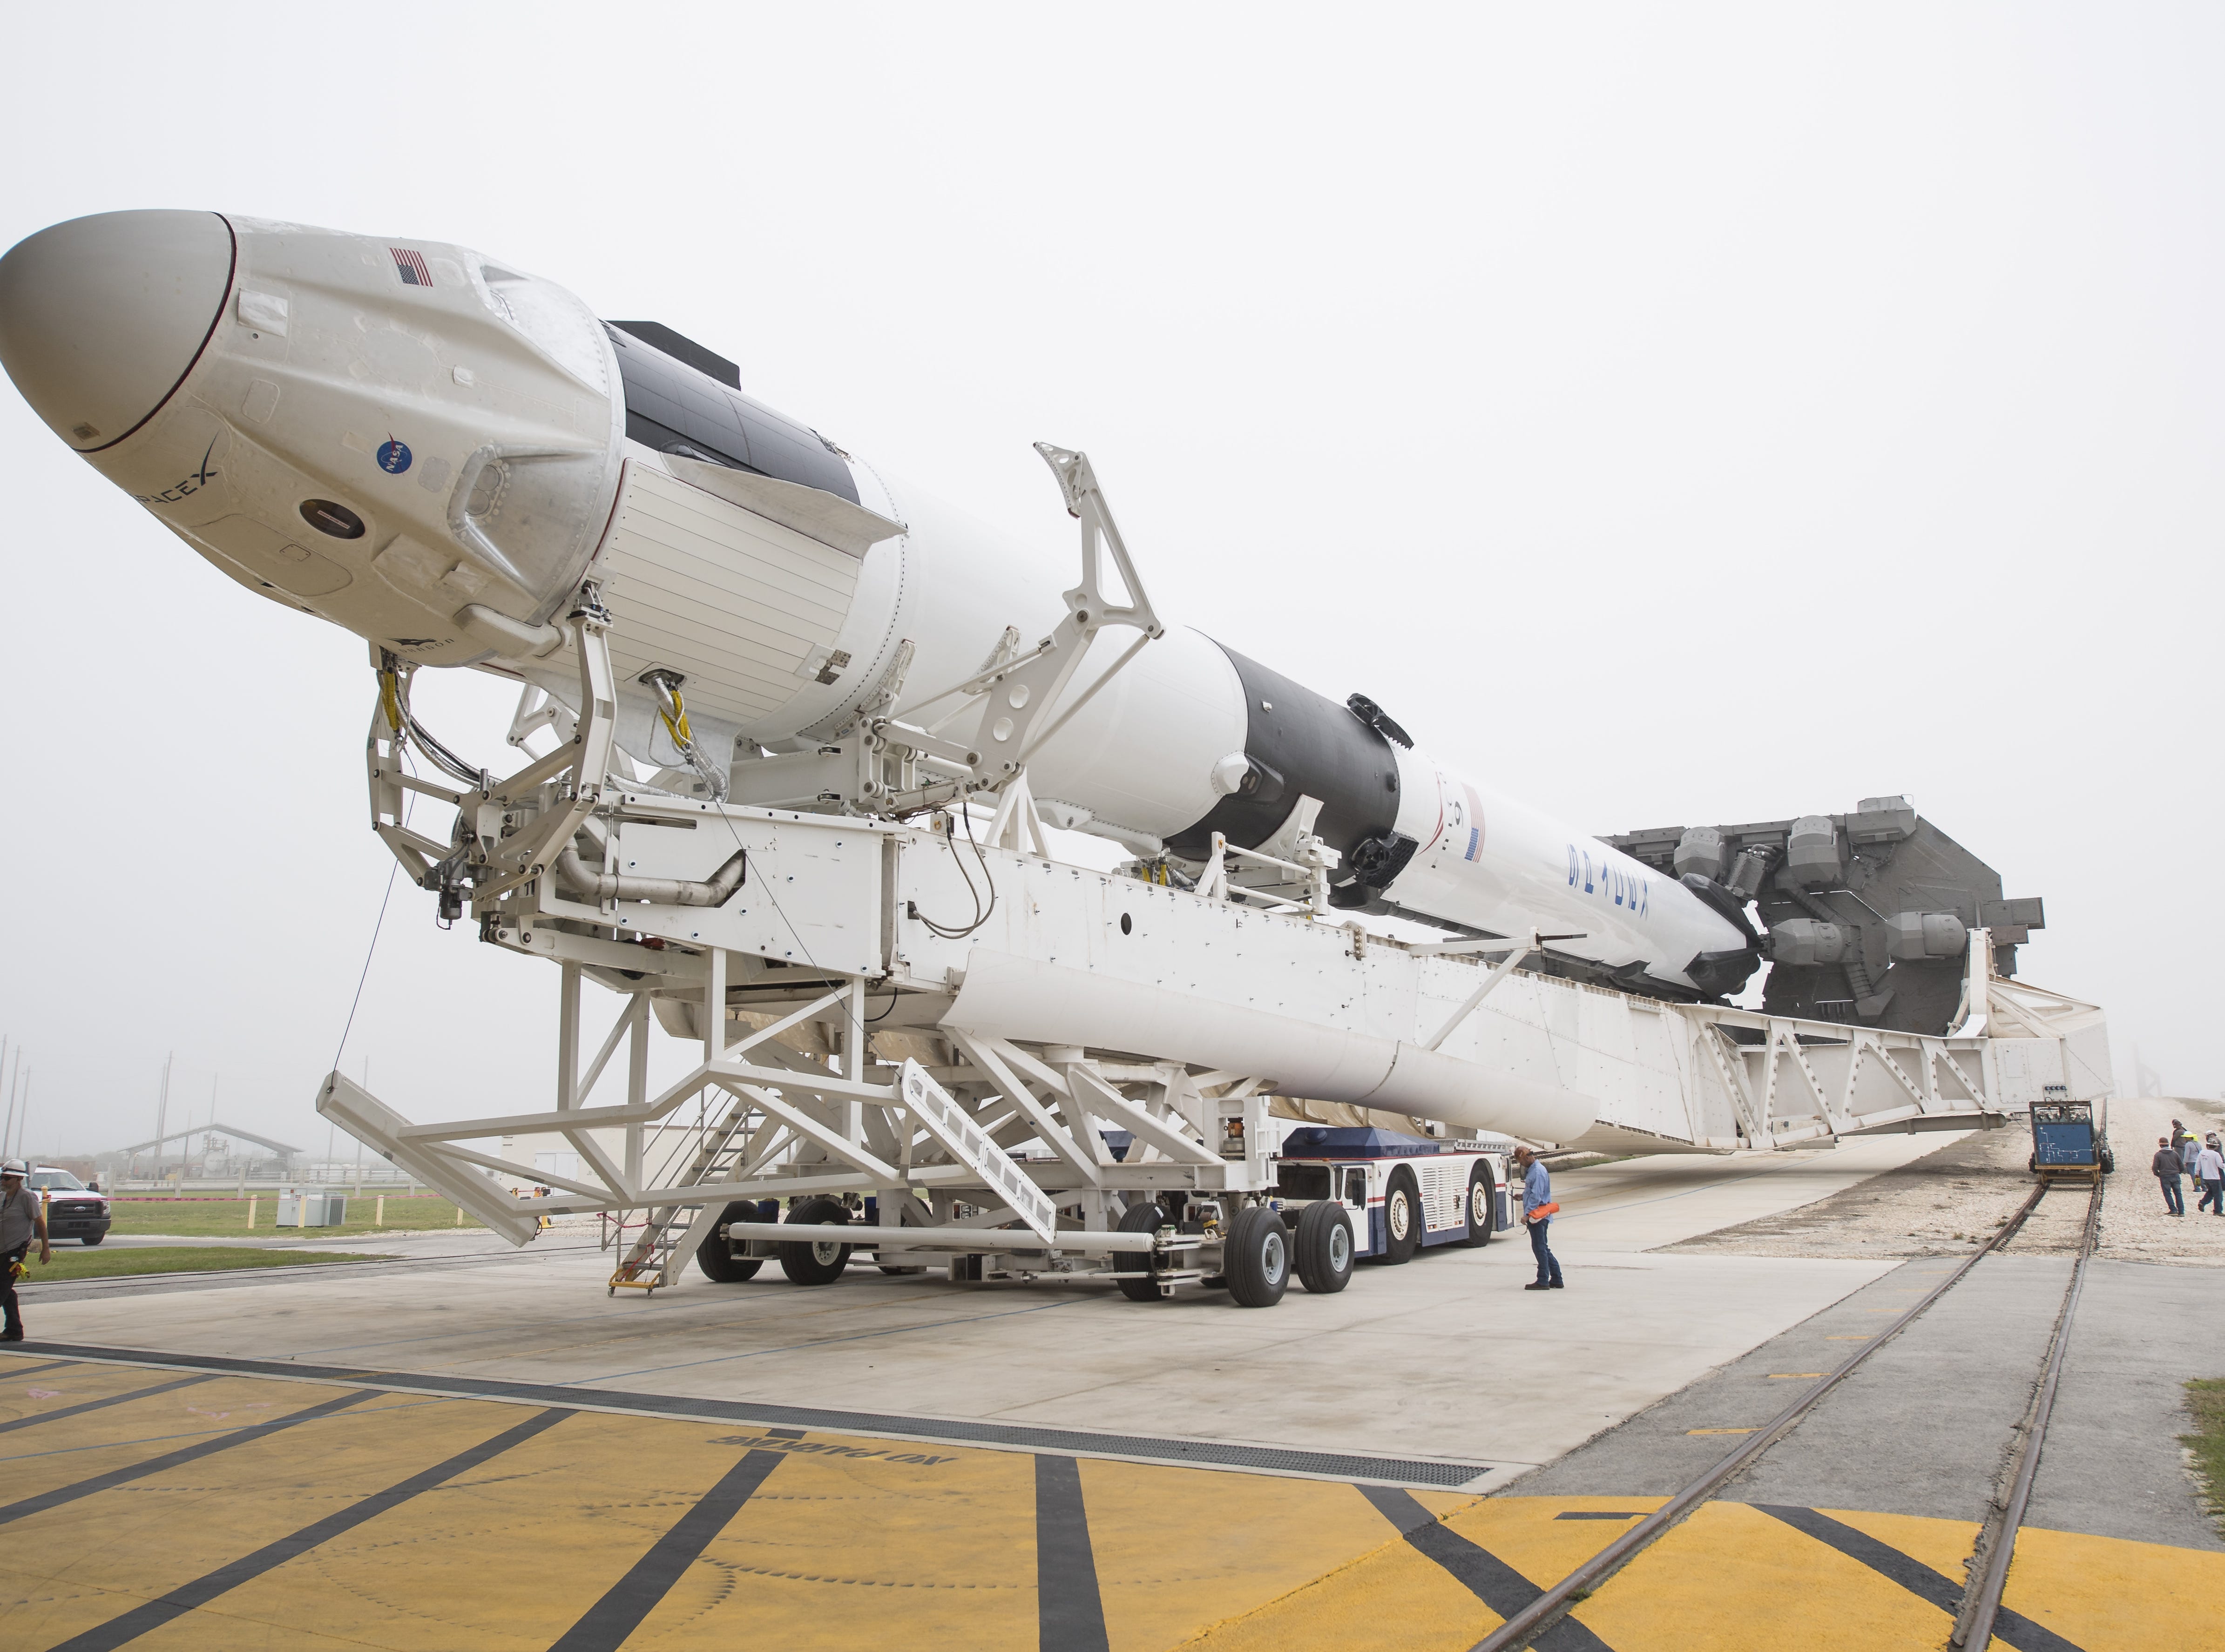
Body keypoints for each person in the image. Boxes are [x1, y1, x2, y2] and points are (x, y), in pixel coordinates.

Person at [0, 1160, 52, 1343]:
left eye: (7, 1178)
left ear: (19, 1179)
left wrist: (46, 1249)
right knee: (7, 1290)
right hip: (1, 1251)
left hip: (15, 1253)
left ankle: (14, 1330)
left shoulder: (27, 1197)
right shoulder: (2, 1197)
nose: (3, 1181)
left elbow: (40, 1223)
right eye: (2, 1177)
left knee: (2, 1288)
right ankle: (14, 1329)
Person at [1511, 1146, 1563, 1291]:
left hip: (1538, 1216)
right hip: (1538, 1214)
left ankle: (1543, 1280)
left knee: (1539, 1248)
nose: (1521, 1165)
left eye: (1521, 1162)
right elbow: (1533, 1193)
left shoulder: (1538, 1172)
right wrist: (1522, 1197)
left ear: (1528, 1157)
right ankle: (1557, 1278)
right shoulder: (1534, 1171)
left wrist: (1527, 1215)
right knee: (1543, 1248)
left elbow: (1536, 1196)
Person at [2155, 1136, 2187, 1216]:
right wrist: (2178, 1172)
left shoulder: (2158, 1155)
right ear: (2168, 1145)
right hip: (2176, 1175)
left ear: (2160, 1145)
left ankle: (2173, 1210)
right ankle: (2181, 1211)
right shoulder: (2175, 1154)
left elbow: (2155, 1167)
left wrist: (2158, 1174)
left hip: (2165, 1176)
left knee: (2167, 1193)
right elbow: (2182, 1166)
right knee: (2178, 1193)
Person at [2198, 1138, 2225, 1218]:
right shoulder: (2216, 1154)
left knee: (2211, 1192)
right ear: (2216, 1147)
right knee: (2218, 1194)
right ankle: (2218, 1211)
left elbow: (2198, 1165)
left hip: (2206, 1177)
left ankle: (2203, 1203)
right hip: (2215, 1177)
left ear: (2207, 1145)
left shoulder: (2202, 1153)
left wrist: (2197, 1175)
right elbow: (2220, 1165)